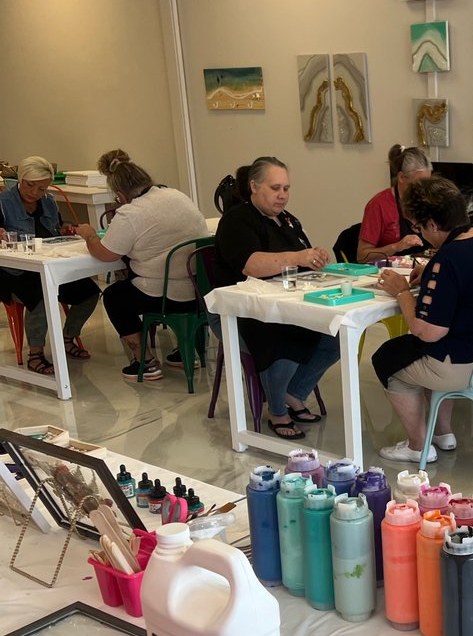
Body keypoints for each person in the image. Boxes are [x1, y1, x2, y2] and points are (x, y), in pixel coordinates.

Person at [373, 176, 473, 465]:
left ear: (431, 224)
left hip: (469, 366)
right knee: (423, 351)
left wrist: (403, 292)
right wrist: (432, 270)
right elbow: (472, 274)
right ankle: (443, 434)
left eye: (418, 227)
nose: (420, 233)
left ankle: (419, 446)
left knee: (388, 358)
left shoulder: (449, 259)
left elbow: (426, 332)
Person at [213, 156, 341, 440]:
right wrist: (298, 257)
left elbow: (302, 255)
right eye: (275, 188)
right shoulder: (238, 220)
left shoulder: (287, 220)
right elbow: (251, 264)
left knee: (333, 336)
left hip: (286, 302)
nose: (282, 195)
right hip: (242, 309)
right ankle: (277, 409)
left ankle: (295, 394)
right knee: (284, 336)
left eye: (286, 188)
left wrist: (314, 256)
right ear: (254, 186)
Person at [77, 150, 206, 382]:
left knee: (114, 296)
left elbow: (106, 254)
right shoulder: (176, 195)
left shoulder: (131, 213)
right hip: (198, 289)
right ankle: (183, 352)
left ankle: (144, 361)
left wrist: (89, 236)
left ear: (119, 195)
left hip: (165, 294)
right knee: (134, 283)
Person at [0, 156, 100, 375]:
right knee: (42, 293)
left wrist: (65, 230)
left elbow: (56, 226)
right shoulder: (3, 202)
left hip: (50, 265)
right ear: (21, 178)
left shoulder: (49, 201)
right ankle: (35, 353)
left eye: (41, 188)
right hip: (15, 273)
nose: (35, 192)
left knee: (90, 293)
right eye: (30, 185)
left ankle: (66, 337)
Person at [356, 145, 431, 264]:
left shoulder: (431, 200)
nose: (424, 190)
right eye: (418, 184)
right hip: (389, 273)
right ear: (401, 177)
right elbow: (362, 256)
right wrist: (397, 246)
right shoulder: (379, 205)